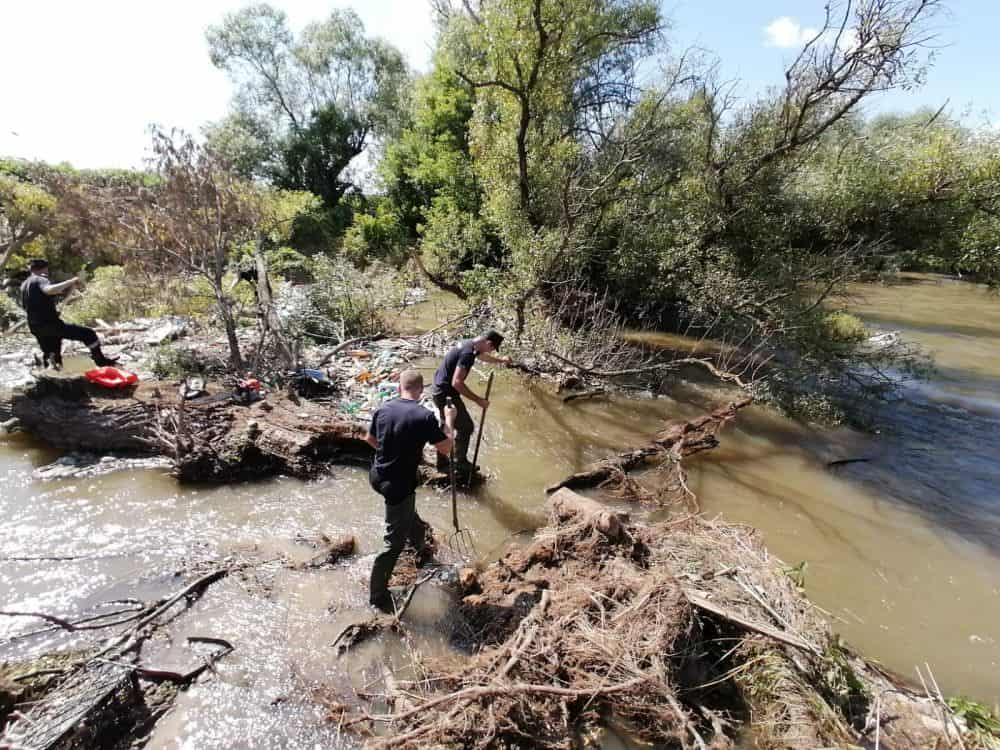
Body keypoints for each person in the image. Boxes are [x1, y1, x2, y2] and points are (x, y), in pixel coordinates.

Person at [365, 368, 457, 613]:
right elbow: (446, 448)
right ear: (420, 390)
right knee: (392, 544)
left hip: (377, 475)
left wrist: (392, 454)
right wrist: (449, 420)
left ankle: (420, 547)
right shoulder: (424, 416)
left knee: (407, 512)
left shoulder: (383, 408)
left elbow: (370, 440)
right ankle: (377, 596)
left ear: (399, 387)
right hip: (398, 484)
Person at [431, 330, 511, 474]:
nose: (492, 351)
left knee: (446, 424)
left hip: (439, 388)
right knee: (466, 427)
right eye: (492, 348)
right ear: (488, 343)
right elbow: (457, 383)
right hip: (446, 393)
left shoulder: (470, 344)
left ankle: (444, 462)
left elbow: (482, 357)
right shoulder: (467, 354)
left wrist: (501, 361)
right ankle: (459, 462)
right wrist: (478, 400)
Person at [19, 259, 118, 370]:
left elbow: (29, 307)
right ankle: (101, 361)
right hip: (51, 325)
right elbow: (49, 290)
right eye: (47, 269)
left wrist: (55, 310)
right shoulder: (40, 279)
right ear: (44, 269)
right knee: (89, 334)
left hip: (36, 327)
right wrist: (71, 281)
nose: (47, 272)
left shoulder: (24, 285)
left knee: (52, 354)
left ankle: (52, 380)